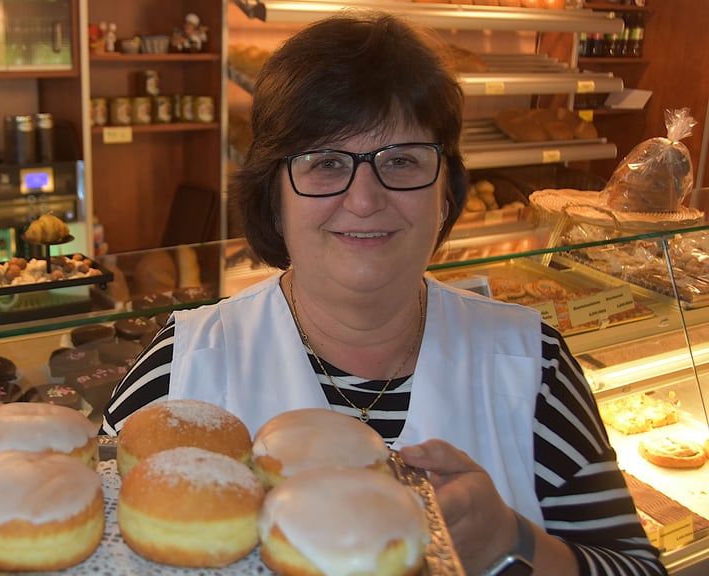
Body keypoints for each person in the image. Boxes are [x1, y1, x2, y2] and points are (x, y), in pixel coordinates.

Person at [102, 11, 665, 576]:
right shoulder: (180, 365)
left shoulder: (533, 364)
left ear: (446, 193)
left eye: (401, 160)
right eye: (325, 163)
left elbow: (637, 567)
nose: (365, 199)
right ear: (274, 197)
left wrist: (511, 541)